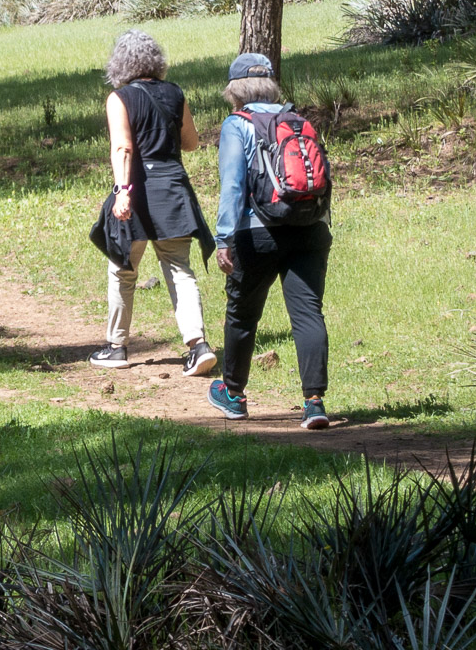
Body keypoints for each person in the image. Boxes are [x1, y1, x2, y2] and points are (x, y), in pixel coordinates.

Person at [206, 52, 333, 429]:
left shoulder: (237, 124)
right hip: (310, 229)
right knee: (308, 313)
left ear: (235, 90)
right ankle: (314, 403)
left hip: (256, 232)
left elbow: (232, 185)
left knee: (243, 314)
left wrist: (223, 238)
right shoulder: (298, 120)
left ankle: (233, 394)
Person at [88, 30, 217, 375]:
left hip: (139, 190)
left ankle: (116, 348)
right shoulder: (175, 93)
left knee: (122, 268)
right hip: (173, 188)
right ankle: (198, 346)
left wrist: (122, 190)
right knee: (179, 269)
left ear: (119, 63)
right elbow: (190, 142)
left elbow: (123, 148)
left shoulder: (120, 98)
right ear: (156, 61)